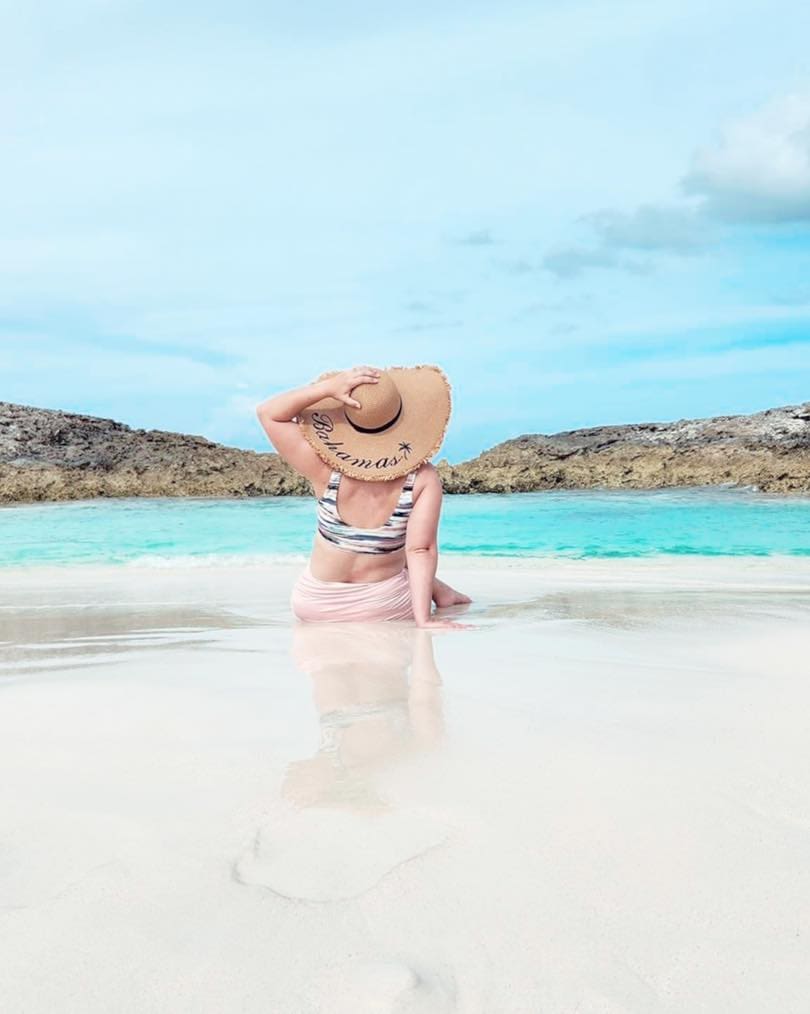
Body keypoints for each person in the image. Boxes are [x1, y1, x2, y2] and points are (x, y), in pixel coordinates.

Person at [255, 364, 471, 628]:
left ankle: (444, 592)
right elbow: (421, 550)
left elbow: (268, 413)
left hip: (315, 604)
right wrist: (423, 620)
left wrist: (326, 389)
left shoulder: (325, 469)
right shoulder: (421, 478)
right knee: (399, 548)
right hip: (381, 607)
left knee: (382, 549)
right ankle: (444, 594)